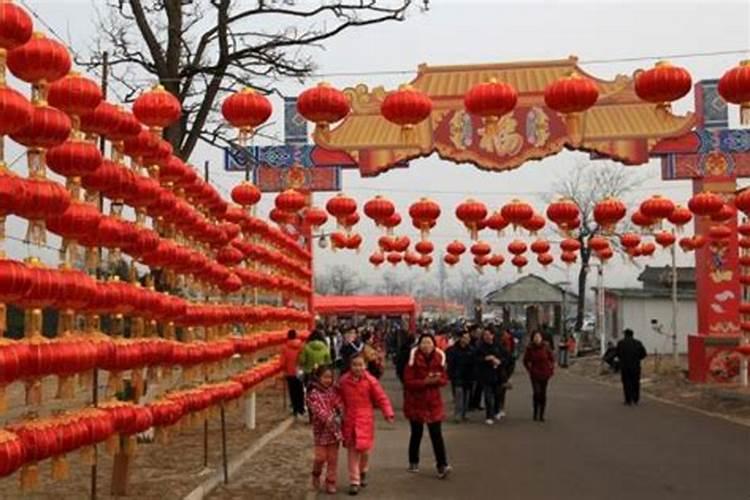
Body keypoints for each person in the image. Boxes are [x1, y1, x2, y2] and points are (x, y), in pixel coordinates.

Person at [338, 354, 395, 496]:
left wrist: (388, 413)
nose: (357, 368)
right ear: (350, 366)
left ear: (365, 366)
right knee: (352, 452)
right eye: (354, 365)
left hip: (365, 419)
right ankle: (354, 481)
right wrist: (338, 408)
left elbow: (381, 397)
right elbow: (338, 397)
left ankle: (363, 470)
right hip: (350, 419)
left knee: (364, 451)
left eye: (360, 365)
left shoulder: (371, 381)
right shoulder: (344, 381)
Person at [403, 334, 451, 478]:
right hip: (416, 402)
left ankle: (442, 465)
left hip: (433, 402)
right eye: (423, 343)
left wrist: (437, 380)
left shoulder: (439, 357)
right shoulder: (412, 360)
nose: (426, 346)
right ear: (419, 344)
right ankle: (413, 461)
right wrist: (425, 382)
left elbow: (444, 379)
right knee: (416, 433)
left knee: (436, 435)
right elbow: (408, 382)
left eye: (429, 343)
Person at [307, 366, 343, 495]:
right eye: (325, 377)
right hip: (321, 431)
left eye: (330, 377)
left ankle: (331, 481)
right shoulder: (313, 394)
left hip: (334, 431)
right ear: (318, 378)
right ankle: (316, 473)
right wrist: (328, 418)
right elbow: (316, 409)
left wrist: (340, 412)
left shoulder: (333, 391)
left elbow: (339, 403)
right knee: (320, 458)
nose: (328, 380)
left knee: (333, 459)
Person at [474, 329, 505, 425]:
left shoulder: (498, 346)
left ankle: (496, 411)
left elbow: (507, 357)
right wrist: (485, 359)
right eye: (485, 335)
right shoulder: (480, 348)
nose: (487, 337)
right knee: (487, 396)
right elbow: (475, 360)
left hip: (497, 374)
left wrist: (500, 361)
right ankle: (489, 415)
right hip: (485, 375)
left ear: (493, 335)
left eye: (489, 334)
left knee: (497, 395)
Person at [523, 331, 555, 422]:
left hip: (545, 372)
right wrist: (529, 370)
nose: (537, 338)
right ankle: (535, 412)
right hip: (534, 373)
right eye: (535, 337)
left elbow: (552, 359)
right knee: (537, 392)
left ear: (541, 338)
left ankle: (541, 414)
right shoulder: (530, 348)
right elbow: (525, 361)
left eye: (538, 337)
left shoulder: (546, 347)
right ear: (533, 338)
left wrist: (551, 369)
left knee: (543, 394)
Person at [446, 331, 474, 422]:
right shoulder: (452, 350)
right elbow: (449, 363)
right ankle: (458, 415)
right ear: (460, 338)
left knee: (467, 396)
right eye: (465, 338)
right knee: (459, 395)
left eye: (468, 338)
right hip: (457, 376)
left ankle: (464, 414)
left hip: (469, 376)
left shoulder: (471, 350)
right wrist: (450, 374)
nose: (467, 340)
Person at [616, 328, 647, 406]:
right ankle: (635, 399)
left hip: (625, 366)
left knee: (626, 383)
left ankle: (628, 399)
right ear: (632, 334)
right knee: (635, 382)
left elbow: (618, 354)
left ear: (625, 334)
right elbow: (644, 354)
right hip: (636, 366)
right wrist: (638, 358)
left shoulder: (621, 343)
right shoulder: (638, 343)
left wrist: (622, 359)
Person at [279, 329, 305, 417]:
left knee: (292, 391)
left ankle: (295, 409)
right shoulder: (301, 346)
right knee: (300, 389)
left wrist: (283, 369)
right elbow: (303, 359)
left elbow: (282, 362)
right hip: (299, 371)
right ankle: (301, 408)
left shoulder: (285, 347)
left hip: (289, 373)